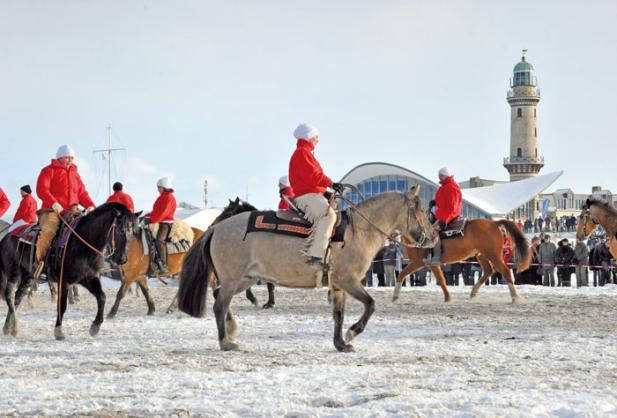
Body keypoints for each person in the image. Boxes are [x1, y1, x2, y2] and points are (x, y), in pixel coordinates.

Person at [288, 123, 343, 267]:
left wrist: (326, 192)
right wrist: (331, 183)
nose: (318, 140)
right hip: (306, 196)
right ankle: (315, 256)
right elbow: (313, 176)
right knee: (328, 216)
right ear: (308, 137)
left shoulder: (304, 153)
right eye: (316, 136)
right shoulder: (302, 153)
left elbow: (310, 181)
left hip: (311, 193)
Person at [35, 145, 96, 274]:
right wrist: (53, 203)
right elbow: (42, 189)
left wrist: (91, 206)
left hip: (72, 211)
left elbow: (82, 194)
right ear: (60, 157)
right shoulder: (48, 170)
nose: (70, 160)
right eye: (67, 157)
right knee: (49, 231)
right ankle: (40, 263)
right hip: (51, 210)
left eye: (72, 158)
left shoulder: (75, 174)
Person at [429, 167, 462, 265]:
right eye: (439, 175)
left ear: (445, 175)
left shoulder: (451, 187)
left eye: (440, 175)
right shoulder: (445, 186)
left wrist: (445, 219)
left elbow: (452, 206)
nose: (439, 177)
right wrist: (435, 202)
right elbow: (444, 202)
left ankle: (437, 256)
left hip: (448, 216)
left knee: (433, 230)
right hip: (442, 214)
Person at [145, 177, 176, 273]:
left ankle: (164, 264)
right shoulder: (162, 197)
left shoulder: (169, 198)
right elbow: (156, 211)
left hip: (166, 224)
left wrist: (152, 219)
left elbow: (164, 213)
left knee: (159, 240)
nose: (158, 189)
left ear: (164, 187)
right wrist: (146, 216)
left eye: (159, 187)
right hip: (159, 221)